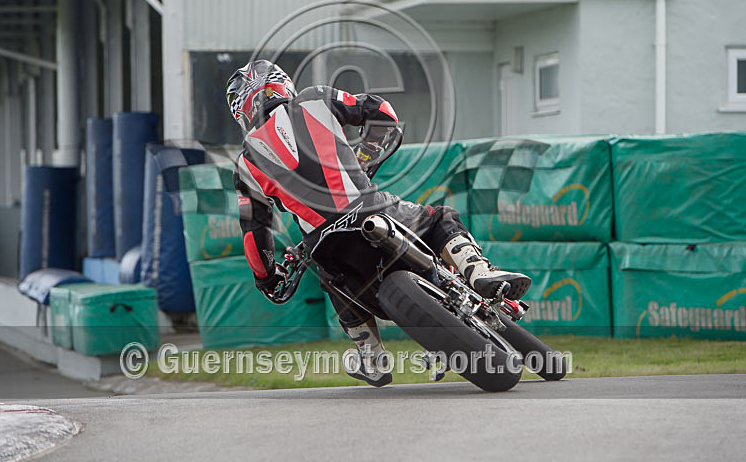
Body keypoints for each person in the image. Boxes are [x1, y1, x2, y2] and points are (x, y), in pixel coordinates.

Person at [227, 60, 531, 387]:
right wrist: (366, 156)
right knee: (440, 218)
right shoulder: (314, 98)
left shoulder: (246, 162)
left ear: (243, 111)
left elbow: (254, 233)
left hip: (324, 244)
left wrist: (266, 277)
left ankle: (370, 355)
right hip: (369, 209)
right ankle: (479, 272)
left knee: (329, 276)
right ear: (281, 84)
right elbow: (383, 112)